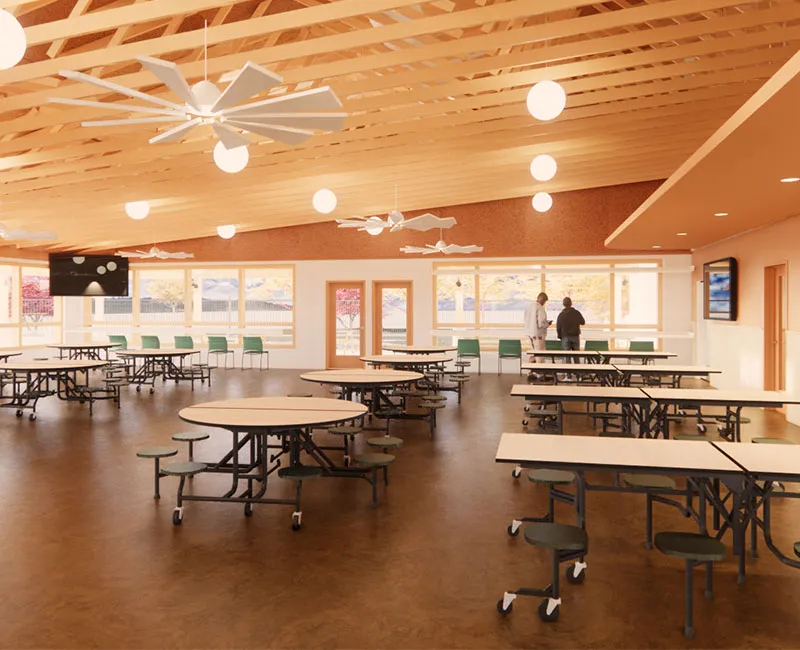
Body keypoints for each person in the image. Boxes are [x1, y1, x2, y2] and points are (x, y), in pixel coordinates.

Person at [523, 292, 551, 363]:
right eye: (544, 301)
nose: (544, 303)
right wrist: (547, 324)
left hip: (530, 335)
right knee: (540, 356)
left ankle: (530, 372)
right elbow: (541, 323)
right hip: (538, 336)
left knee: (533, 355)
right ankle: (539, 373)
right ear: (543, 300)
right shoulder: (540, 308)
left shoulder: (529, 307)